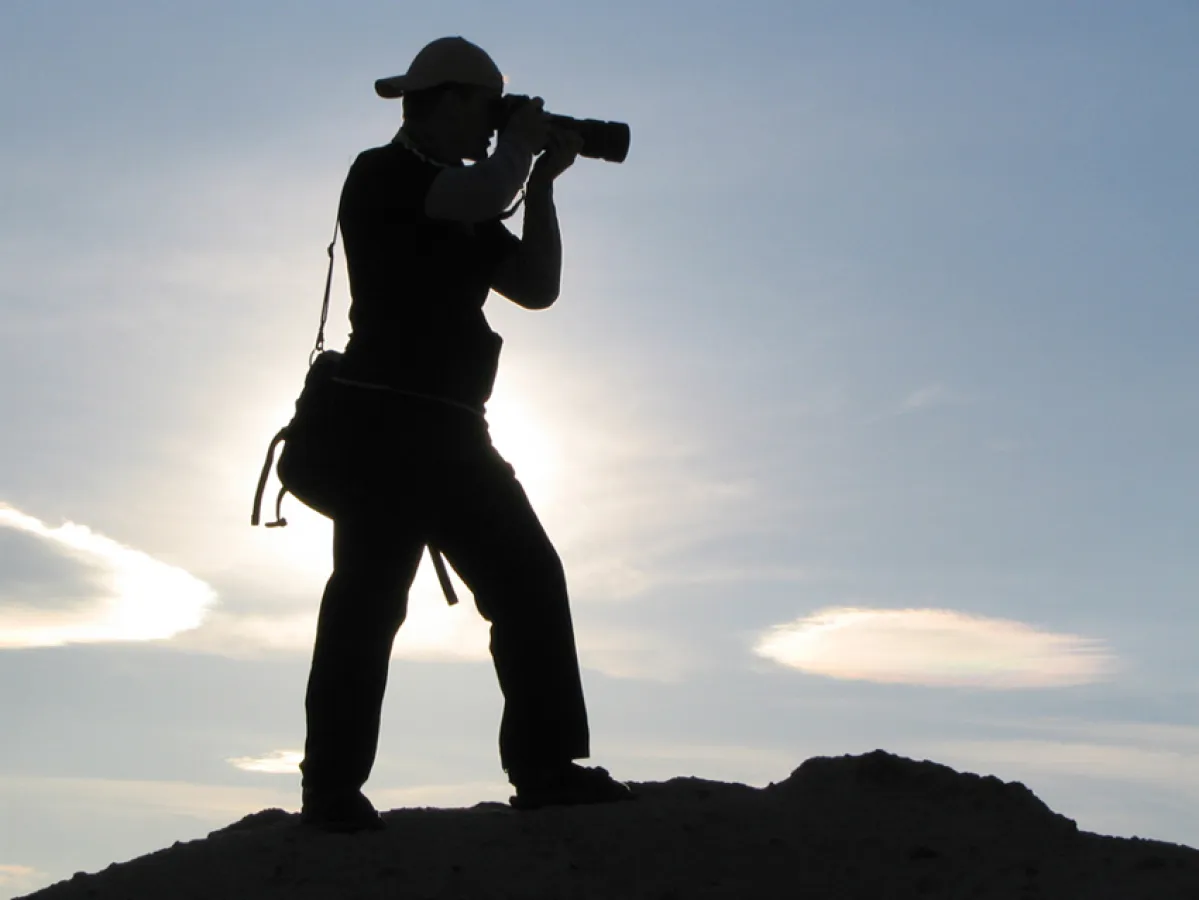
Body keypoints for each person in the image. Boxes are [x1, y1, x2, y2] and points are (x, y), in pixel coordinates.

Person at [297, 36, 635, 832]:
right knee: (367, 605)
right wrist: (519, 148)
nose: (492, 127)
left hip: (454, 431)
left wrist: (541, 185)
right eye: (487, 111)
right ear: (449, 101)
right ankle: (331, 791)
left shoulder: (471, 194)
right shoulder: (385, 174)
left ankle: (546, 769)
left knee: (528, 582)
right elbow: (480, 191)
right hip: (382, 427)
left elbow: (536, 288)